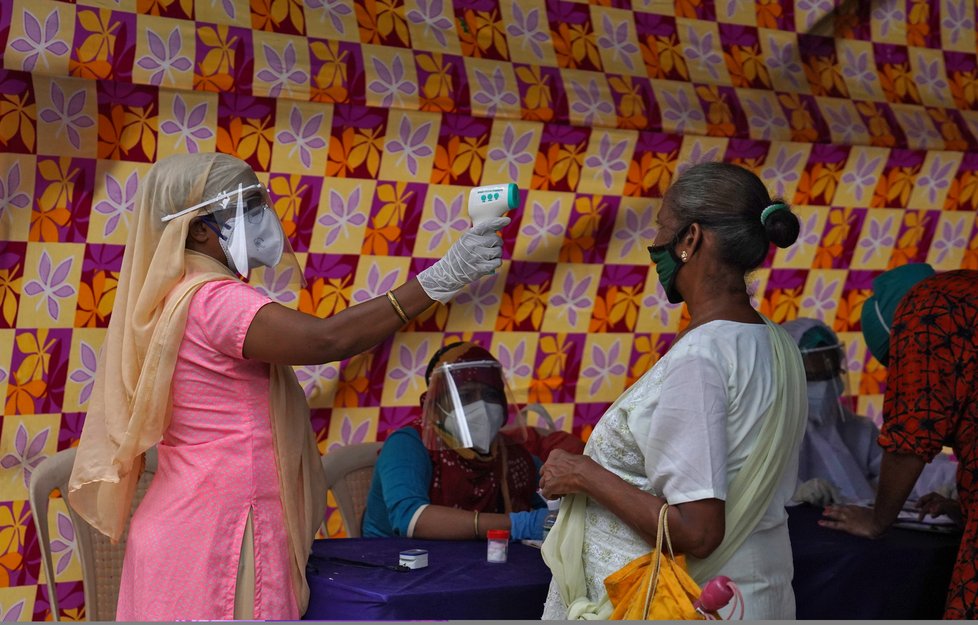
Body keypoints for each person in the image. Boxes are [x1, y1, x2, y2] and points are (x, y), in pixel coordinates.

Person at [66, 153, 509, 620]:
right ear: (199, 229)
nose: (264, 216)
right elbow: (327, 339)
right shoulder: (217, 300)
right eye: (249, 204)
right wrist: (441, 279)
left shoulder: (174, 295)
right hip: (223, 533)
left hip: (188, 527)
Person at [538, 161, 808, 620]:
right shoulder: (776, 342)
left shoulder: (700, 358)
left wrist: (584, 475)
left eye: (663, 227)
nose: (655, 243)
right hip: (757, 596)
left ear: (690, 238)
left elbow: (698, 532)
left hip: (695, 604)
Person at [820, 263, 978, 620]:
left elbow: (911, 435)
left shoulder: (924, 312)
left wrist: (878, 520)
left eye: (898, 364)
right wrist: (962, 506)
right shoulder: (965, 290)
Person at [362, 342, 581, 540]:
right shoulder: (407, 444)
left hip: (478, 566)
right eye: (466, 396)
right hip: (393, 568)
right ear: (436, 405)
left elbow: (551, 497)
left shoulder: (507, 453)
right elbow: (412, 520)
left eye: (490, 395)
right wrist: (516, 525)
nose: (482, 407)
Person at [785, 317, 958, 507]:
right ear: (786, 376)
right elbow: (757, 491)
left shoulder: (855, 428)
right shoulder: (770, 433)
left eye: (831, 374)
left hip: (862, 529)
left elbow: (899, 469)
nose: (825, 386)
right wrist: (793, 496)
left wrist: (952, 479)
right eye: (813, 377)